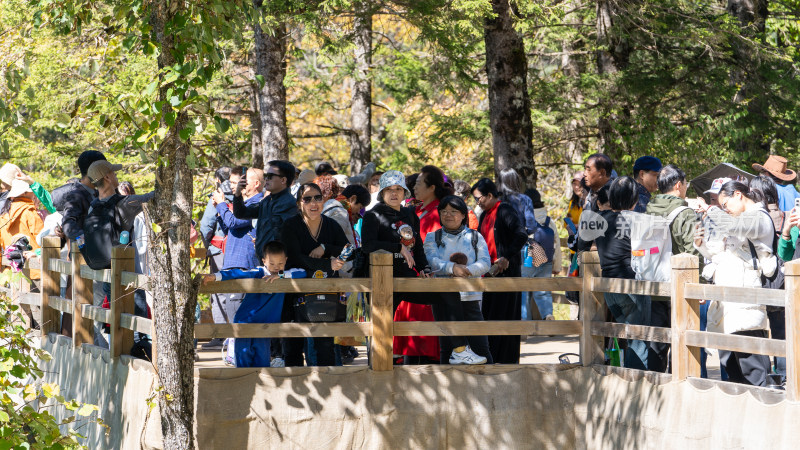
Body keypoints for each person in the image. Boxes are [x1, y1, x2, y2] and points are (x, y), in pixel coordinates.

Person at [361, 171, 486, 365]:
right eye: (389, 190)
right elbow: (367, 246)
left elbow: (417, 247)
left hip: (408, 278)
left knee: (448, 291)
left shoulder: (409, 213)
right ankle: (376, 364)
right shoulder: (373, 215)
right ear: (382, 192)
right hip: (383, 282)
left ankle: (460, 350)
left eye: (398, 189)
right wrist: (398, 247)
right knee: (382, 326)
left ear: (404, 192)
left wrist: (425, 269)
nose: (394, 194)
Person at [694, 181, 773, 386]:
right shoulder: (735, 218)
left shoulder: (759, 217)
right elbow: (719, 254)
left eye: (725, 203)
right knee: (732, 372)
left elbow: (733, 227)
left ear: (738, 194)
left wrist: (711, 210)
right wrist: (701, 244)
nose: (724, 208)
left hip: (747, 302)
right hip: (727, 303)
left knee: (754, 370)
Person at [577, 176, 651, 370]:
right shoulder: (637, 220)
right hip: (631, 285)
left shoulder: (598, 220)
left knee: (625, 337)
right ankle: (637, 385)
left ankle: (626, 380)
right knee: (639, 340)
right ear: (635, 201)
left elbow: (581, 246)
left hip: (609, 288)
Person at [85, 160, 155, 349]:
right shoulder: (125, 204)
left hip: (104, 270)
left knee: (116, 317)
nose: (116, 176)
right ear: (107, 177)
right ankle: (138, 357)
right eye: (113, 174)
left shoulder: (93, 207)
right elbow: (153, 197)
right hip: (127, 272)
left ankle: (117, 352)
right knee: (138, 321)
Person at [280, 183, 350, 366]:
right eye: (307, 198)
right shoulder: (290, 225)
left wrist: (326, 247)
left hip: (325, 293)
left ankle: (328, 387)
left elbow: (349, 250)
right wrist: (328, 263)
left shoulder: (331, 225)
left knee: (324, 344)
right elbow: (295, 257)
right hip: (295, 291)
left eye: (318, 197)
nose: (313, 202)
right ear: (298, 204)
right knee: (293, 345)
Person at [203, 241, 304, 367]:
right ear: (264, 261)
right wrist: (215, 276)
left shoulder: (284, 275)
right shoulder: (258, 273)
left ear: (286, 260)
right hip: (245, 322)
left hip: (265, 326)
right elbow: (237, 273)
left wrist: (281, 276)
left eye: (281, 263)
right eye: (272, 263)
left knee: (262, 362)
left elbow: (302, 272)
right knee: (243, 361)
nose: (276, 267)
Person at [391, 165, 454, 365]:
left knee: (425, 339)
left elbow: (434, 248)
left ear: (432, 187)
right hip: (410, 278)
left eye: (419, 183)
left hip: (426, 279)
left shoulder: (438, 214)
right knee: (411, 338)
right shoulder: (417, 210)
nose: (415, 187)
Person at [644, 165, 701, 372]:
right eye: (685, 184)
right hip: (677, 287)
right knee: (682, 340)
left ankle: (655, 386)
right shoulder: (685, 213)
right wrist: (697, 285)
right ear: (678, 185)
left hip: (652, 283)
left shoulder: (648, 208)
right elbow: (692, 252)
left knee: (657, 343)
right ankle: (679, 385)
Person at [423, 195, 493, 363]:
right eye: (444, 211)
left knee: (481, 346)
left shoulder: (475, 236)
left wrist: (467, 271)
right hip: (442, 298)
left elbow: (485, 262)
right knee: (447, 347)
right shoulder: (433, 237)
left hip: (470, 297)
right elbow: (431, 260)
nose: (448, 215)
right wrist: (452, 268)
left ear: (463, 215)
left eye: (454, 211)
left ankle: (490, 383)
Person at [472, 178, 528, 364]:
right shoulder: (484, 214)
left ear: (489, 195)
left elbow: (521, 234)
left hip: (506, 274)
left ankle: (507, 361)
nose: (477, 202)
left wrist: (507, 257)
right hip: (489, 274)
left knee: (505, 319)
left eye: (479, 198)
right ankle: (492, 359)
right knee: (490, 317)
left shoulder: (504, 210)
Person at [212, 167, 264, 321]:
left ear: (255, 184)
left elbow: (234, 222)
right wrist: (219, 210)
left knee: (238, 317)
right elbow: (229, 229)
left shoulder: (257, 203)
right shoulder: (245, 203)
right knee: (233, 312)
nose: (234, 186)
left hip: (244, 266)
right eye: (233, 182)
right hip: (235, 265)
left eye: (241, 182)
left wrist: (222, 204)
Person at [232, 160, 297, 262]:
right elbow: (241, 213)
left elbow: (281, 237)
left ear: (283, 180)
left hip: (278, 265)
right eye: (265, 175)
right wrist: (238, 194)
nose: (266, 179)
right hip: (267, 261)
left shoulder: (289, 203)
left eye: (270, 176)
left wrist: (275, 264)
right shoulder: (267, 200)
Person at [197, 166, 232, 348]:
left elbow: (206, 225)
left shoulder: (217, 195)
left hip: (219, 250)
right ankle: (236, 335)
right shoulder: (242, 192)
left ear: (218, 179)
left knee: (219, 291)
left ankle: (220, 336)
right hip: (240, 251)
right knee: (238, 290)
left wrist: (208, 246)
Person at [521, 188, 561, 321]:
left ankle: (524, 322)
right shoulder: (549, 221)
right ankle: (548, 316)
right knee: (543, 292)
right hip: (546, 261)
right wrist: (557, 266)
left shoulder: (524, 219)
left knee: (524, 292)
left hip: (528, 260)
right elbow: (557, 244)